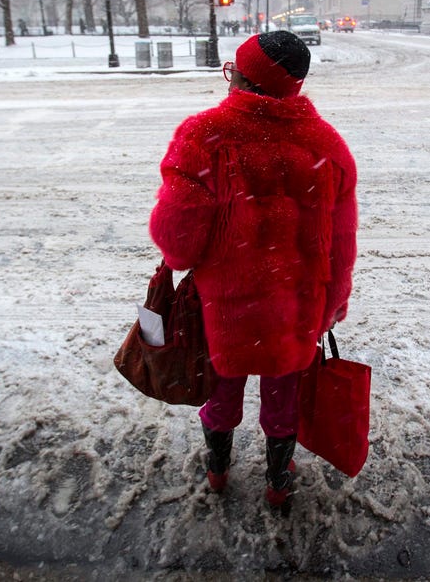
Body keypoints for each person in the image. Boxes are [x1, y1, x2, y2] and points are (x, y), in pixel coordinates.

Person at [149, 31, 358, 510]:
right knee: (284, 392)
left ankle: (218, 468)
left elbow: (178, 241)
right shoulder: (327, 145)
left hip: (225, 305)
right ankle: (278, 481)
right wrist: (334, 301)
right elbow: (342, 242)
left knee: (222, 388)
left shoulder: (204, 137)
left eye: (233, 71)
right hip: (297, 307)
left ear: (244, 79)